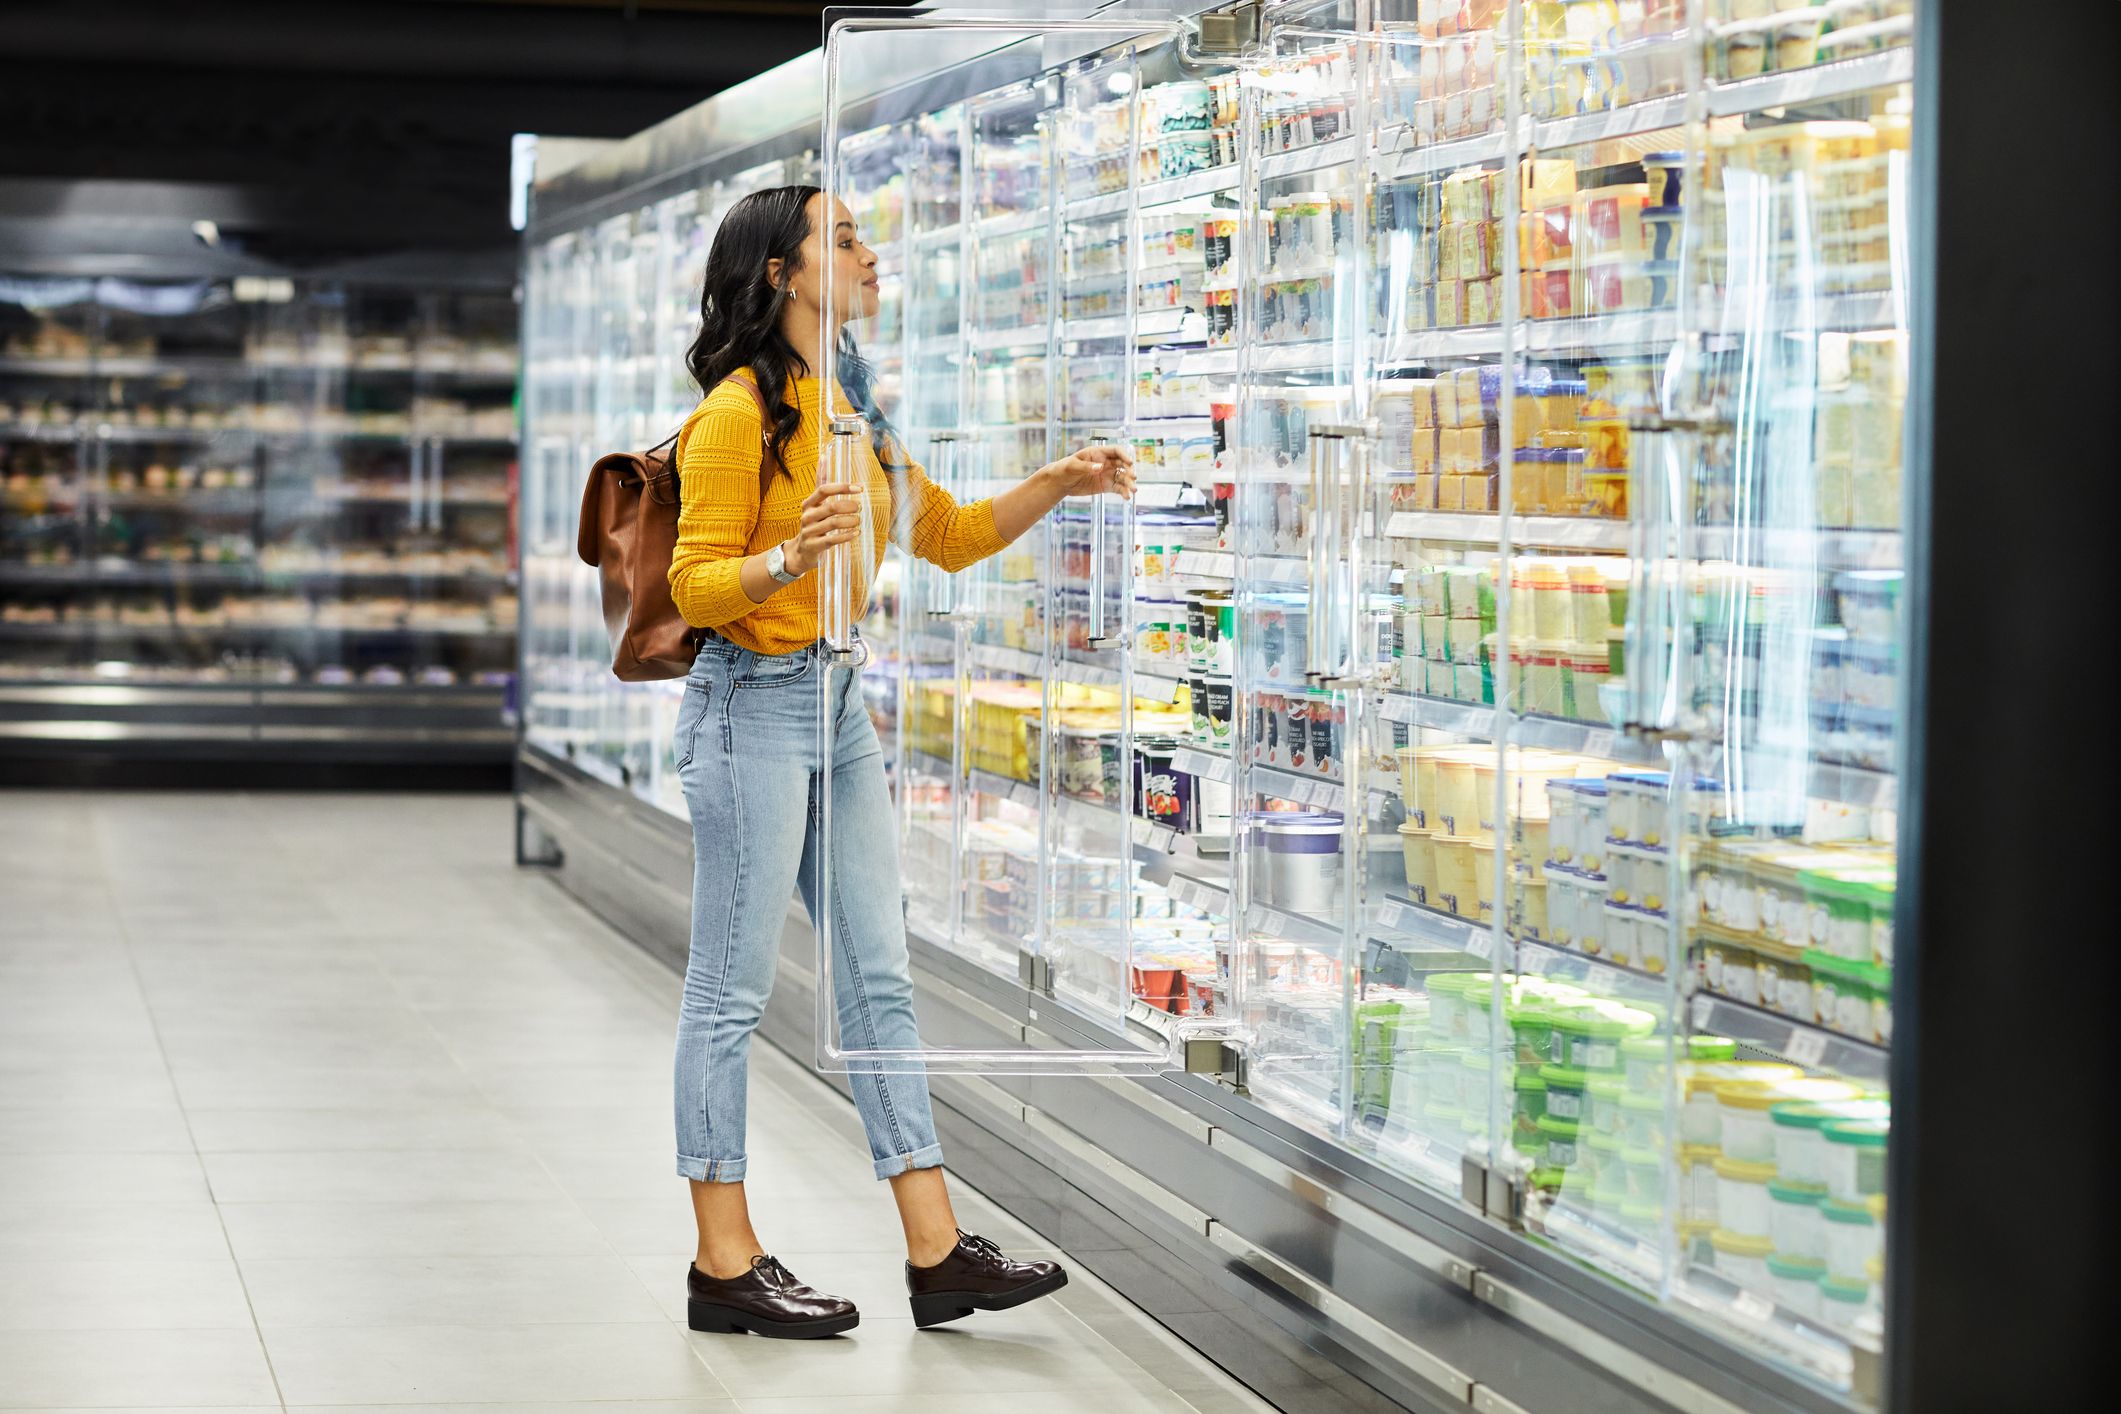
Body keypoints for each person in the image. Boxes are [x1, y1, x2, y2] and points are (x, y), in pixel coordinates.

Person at [663, 184, 1135, 1339]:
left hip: (835, 705)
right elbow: (693, 584)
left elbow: (954, 536)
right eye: (847, 237)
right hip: (749, 709)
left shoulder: (853, 407)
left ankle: (936, 1252)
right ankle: (723, 1259)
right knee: (731, 991)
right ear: (782, 272)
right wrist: (783, 561)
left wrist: (1061, 483)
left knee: (878, 975)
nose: (871, 254)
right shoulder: (738, 416)